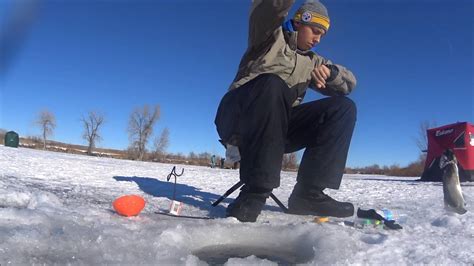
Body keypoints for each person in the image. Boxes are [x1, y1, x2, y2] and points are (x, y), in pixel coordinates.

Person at [215, 0, 357, 222]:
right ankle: (254, 192)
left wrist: (331, 73)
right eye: (315, 31)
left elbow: (350, 84)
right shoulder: (268, 37)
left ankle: (308, 195)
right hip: (237, 117)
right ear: (300, 22)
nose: (318, 39)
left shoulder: (314, 62)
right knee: (273, 83)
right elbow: (267, 8)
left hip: (275, 129)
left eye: (322, 35)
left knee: (342, 108)